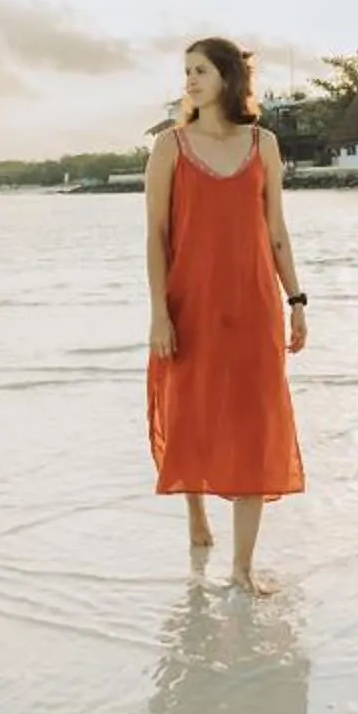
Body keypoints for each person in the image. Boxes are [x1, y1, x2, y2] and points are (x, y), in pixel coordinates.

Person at [146, 36, 308, 594]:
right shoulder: (170, 147)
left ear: (227, 78)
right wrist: (159, 313)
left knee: (254, 421)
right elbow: (157, 236)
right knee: (190, 407)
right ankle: (195, 513)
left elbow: (277, 230)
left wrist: (297, 300)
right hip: (191, 304)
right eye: (186, 71)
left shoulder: (263, 144)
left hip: (254, 304)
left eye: (201, 71)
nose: (190, 80)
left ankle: (241, 569)